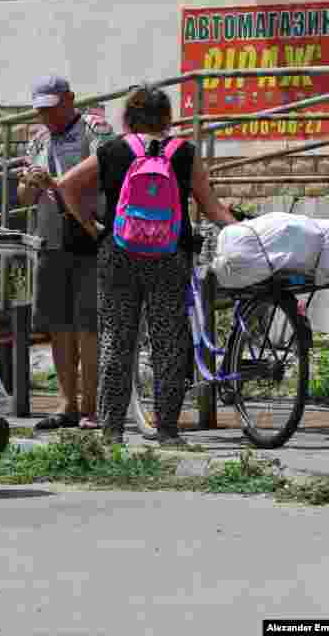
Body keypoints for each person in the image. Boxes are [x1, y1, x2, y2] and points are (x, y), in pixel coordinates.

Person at [57, 86, 237, 446]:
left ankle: (111, 433)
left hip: (118, 253)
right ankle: (168, 431)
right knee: (168, 342)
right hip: (170, 256)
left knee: (116, 340)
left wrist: (92, 228)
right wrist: (244, 231)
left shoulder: (112, 150)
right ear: (167, 118)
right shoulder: (184, 152)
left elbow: (66, 185)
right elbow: (211, 207)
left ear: (128, 118)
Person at [19, 76, 113, 431]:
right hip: (50, 241)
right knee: (58, 325)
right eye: (41, 110)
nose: (47, 116)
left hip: (89, 238)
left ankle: (91, 406)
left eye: (52, 108)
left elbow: (106, 175)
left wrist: (56, 183)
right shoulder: (38, 139)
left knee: (89, 324)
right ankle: (66, 404)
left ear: (70, 99)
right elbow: (24, 198)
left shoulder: (95, 130)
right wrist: (31, 184)